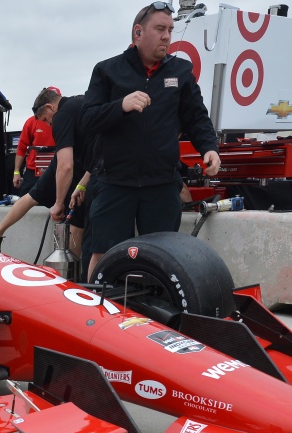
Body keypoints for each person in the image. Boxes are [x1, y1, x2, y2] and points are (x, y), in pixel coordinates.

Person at [81, 2, 220, 278]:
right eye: (159, 29)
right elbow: (87, 120)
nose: (167, 36)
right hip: (114, 183)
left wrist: (209, 148)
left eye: (170, 29)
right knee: (103, 254)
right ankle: (95, 317)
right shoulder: (107, 70)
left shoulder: (180, 71)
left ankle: (155, 317)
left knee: (163, 259)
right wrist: (121, 105)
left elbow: (196, 118)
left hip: (162, 185)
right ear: (138, 33)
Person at [0, 87, 92, 263]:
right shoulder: (82, 101)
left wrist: (58, 203)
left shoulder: (61, 115)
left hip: (77, 163)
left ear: (50, 107)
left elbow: (66, 166)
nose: (49, 124)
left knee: (74, 217)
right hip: (77, 159)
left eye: (46, 119)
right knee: (34, 194)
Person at [12, 90, 57, 194]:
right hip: (33, 172)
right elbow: (21, 148)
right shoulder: (31, 122)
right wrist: (16, 172)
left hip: (56, 170)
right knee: (25, 198)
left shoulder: (63, 121)